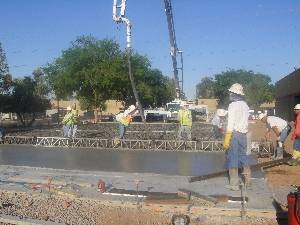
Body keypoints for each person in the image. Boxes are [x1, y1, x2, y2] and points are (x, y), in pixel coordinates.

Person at [223, 83, 250, 191]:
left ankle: (234, 184)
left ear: (235, 94)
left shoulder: (232, 105)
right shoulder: (245, 105)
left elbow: (231, 123)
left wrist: (227, 138)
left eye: (231, 92)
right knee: (243, 157)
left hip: (234, 134)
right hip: (243, 134)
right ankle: (248, 182)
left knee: (232, 158)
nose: (230, 94)